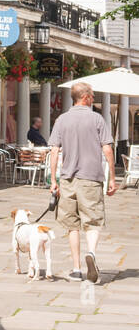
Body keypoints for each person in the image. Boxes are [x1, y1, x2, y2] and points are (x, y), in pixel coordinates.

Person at [48, 81, 115, 284]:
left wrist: (53, 180)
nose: (94, 98)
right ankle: (92, 254)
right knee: (93, 221)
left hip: (68, 179)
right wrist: (112, 177)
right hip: (91, 178)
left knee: (72, 225)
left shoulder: (61, 120)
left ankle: (76, 269)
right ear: (85, 97)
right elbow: (108, 149)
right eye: (93, 95)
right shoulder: (97, 119)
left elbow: (54, 151)